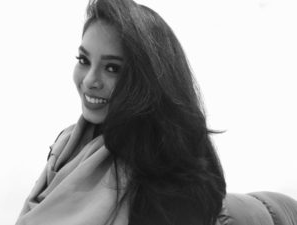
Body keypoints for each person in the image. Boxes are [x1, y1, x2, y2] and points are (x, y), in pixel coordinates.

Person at [16, 0, 226, 224]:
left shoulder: (167, 176)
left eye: (112, 68)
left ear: (149, 79)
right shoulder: (67, 145)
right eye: (84, 60)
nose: (89, 81)